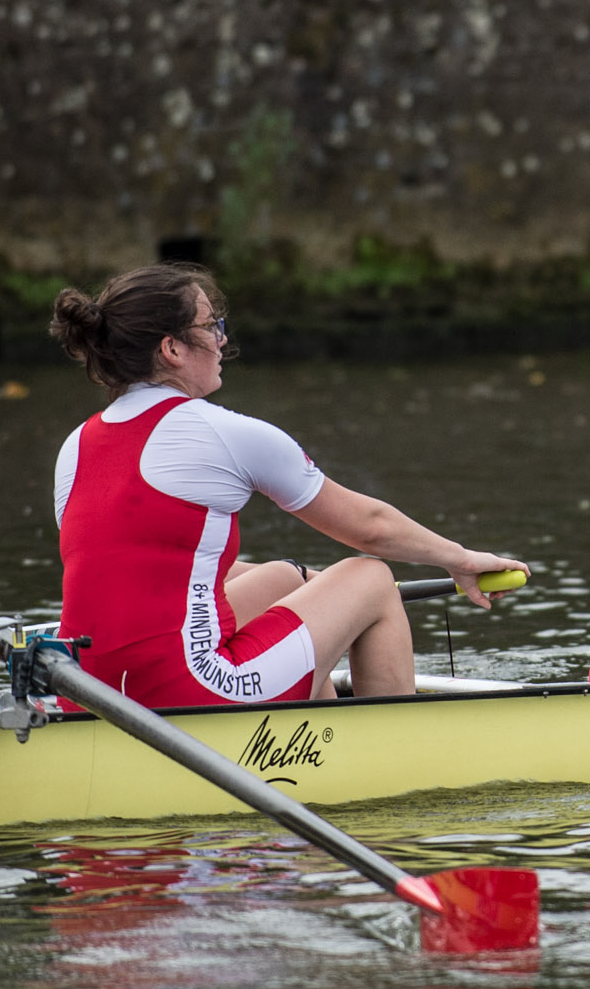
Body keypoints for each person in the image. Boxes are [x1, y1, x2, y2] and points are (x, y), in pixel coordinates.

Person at [49, 265, 524, 706]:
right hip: (186, 687)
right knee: (371, 578)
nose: (222, 338)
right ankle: (390, 752)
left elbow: (155, 573)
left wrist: (319, 592)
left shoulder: (75, 448)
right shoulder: (222, 431)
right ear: (171, 349)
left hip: (87, 693)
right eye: (211, 324)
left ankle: (312, 744)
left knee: (284, 577)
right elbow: (369, 528)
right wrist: (460, 560)